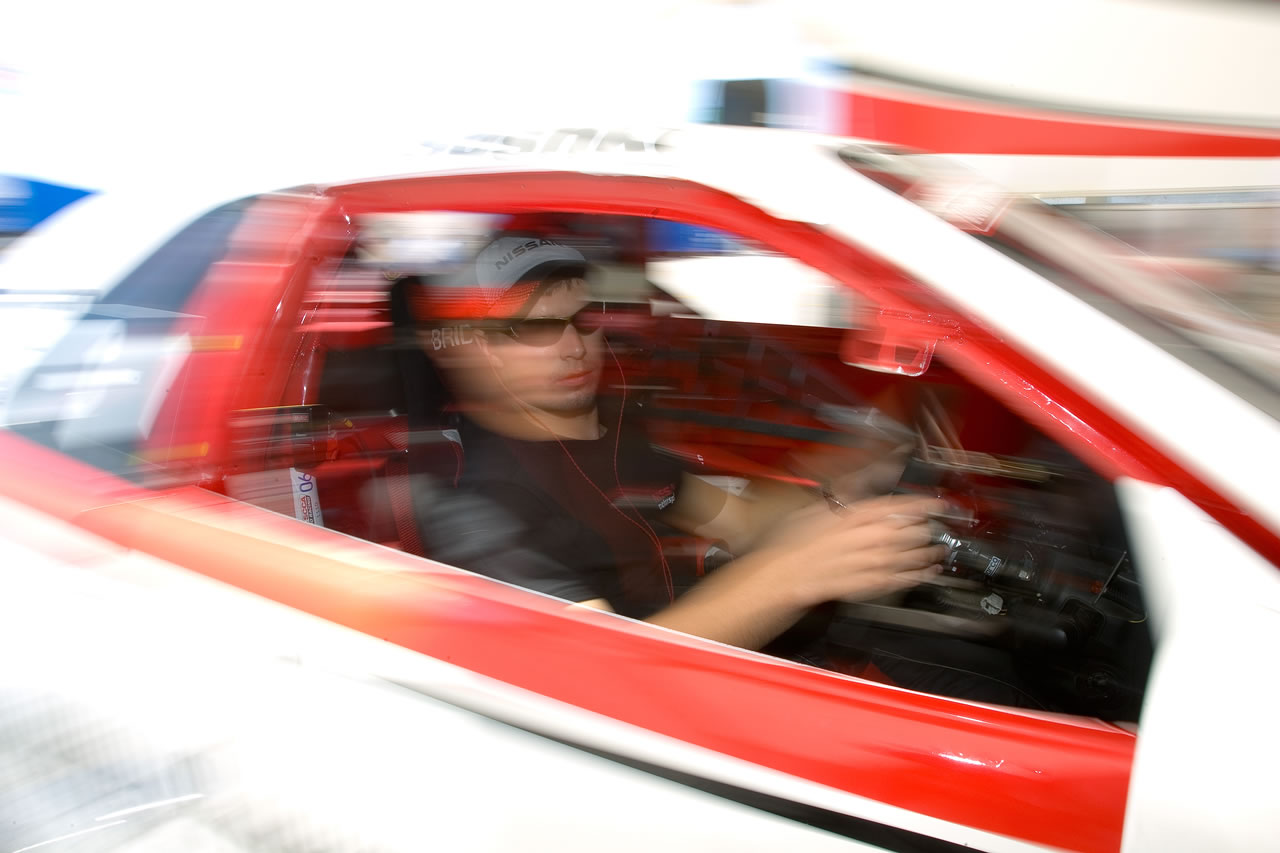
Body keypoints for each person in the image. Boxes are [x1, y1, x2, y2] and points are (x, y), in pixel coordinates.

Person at [409, 236, 946, 653]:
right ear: (475, 347)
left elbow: (744, 521)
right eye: (534, 328)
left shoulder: (610, 445)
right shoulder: (476, 507)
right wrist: (793, 575)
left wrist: (865, 452)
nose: (575, 347)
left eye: (582, 319)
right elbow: (605, 666)